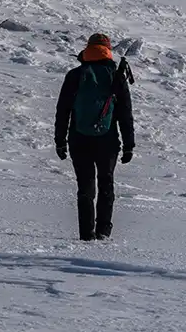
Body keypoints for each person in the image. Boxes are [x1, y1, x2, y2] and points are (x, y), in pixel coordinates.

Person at [55, 33, 136, 241]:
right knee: (106, 183)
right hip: (107, 140)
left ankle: (86, 234)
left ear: (88, 49)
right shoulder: (116, 76)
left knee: (85, 187)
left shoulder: (75, 75)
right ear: (108, 50)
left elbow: (63, 110)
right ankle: (103, 232)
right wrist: (129, 145)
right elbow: (125, 113)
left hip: (78, 138)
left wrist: (60, 141)